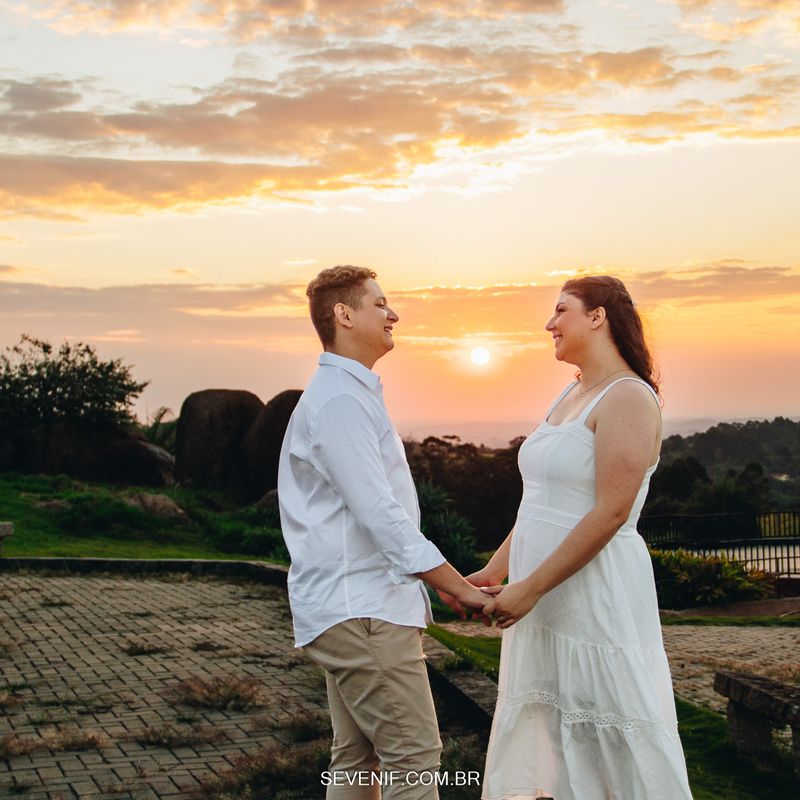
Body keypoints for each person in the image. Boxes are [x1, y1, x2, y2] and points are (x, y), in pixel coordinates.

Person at [473, 276, 693, 800]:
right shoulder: (571, 391)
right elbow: (541, 504)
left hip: (594, 593)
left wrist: (531, 588)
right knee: (549, 732)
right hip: (545, 600)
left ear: (598, 317)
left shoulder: (630, 398)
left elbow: (611, 512)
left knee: (612, 730)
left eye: (560, 310)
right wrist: (497, 570)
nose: (549, 324)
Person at [278, 265, 489, 800]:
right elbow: (381, 516)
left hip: (356, 605)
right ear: (343, 315)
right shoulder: (341, 401)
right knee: (413, 759)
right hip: (363, 609)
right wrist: (455, 584)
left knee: (356, 760)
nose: (393, 314)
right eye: (379, 304)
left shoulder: (346, 394)